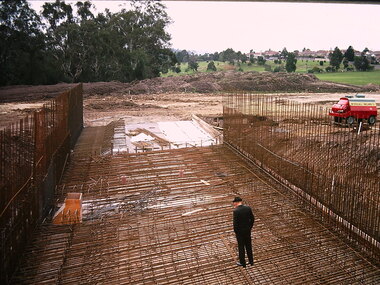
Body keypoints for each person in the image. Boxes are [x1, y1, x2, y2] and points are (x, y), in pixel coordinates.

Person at [232, 196, 254, 268]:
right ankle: (251, 261)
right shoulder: (248, 208)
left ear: (236, 203)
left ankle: (243, 263)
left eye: (234, 203)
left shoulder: (236, 211)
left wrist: (236, 232)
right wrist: (249, 227)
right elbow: (252, 219)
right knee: (248, 246)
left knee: (241, 247)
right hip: (247, 231)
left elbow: (235, 224)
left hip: (240, 233)